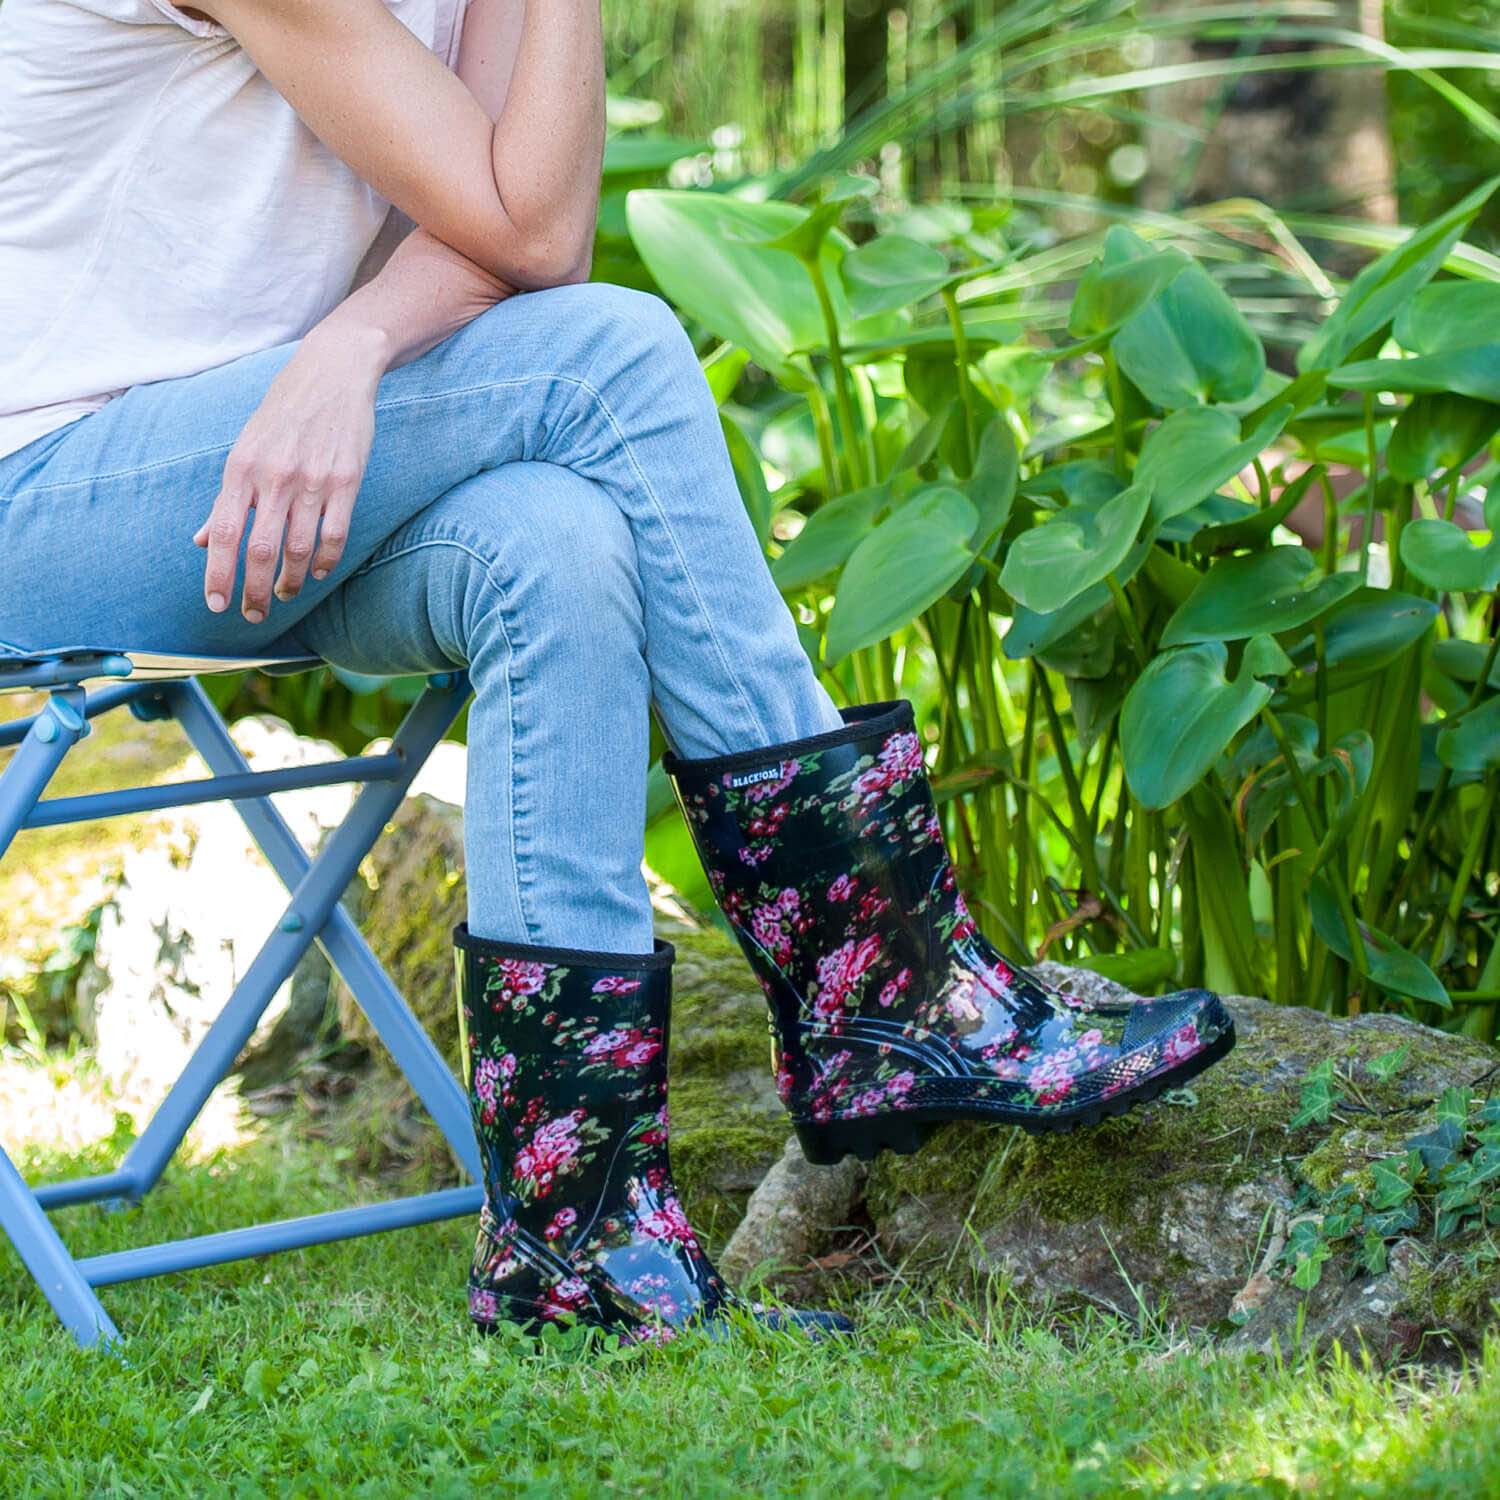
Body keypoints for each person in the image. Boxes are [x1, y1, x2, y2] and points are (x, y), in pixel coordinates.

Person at [0, 0, 1235, 1345]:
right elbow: (540, 257)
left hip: (291, 474)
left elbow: (529, 233)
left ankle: (574, 1246)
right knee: (619, 356)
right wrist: (339, 354)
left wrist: (349, 346)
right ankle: (880, 984)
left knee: (559, 544)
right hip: (53, 498)